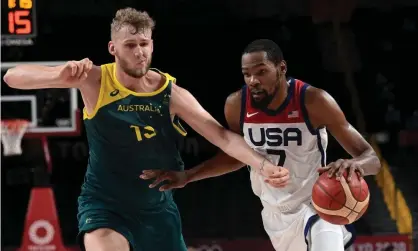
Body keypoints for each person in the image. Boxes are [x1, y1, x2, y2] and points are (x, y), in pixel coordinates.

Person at [3, 10, 288, 251]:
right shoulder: (95, 80)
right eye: (130, 45)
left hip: (158, 210)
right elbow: (12, 77)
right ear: (112, 49)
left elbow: (222, 136)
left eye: (144, 43)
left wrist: (262, 164)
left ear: (152, 45)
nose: (139, 52)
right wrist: (57, 75)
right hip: (105, 205)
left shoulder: (172, 93)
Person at [140, 39, 382, 251]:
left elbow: (371, 158)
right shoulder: (237, 105)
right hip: (275, 213)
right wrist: (188, 176)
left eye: (261, 72)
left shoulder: (314, 101)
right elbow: (236, 156)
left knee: (326, 233)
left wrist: (353, 163)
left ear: (282, 68)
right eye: (247, 74)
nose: (253, 80)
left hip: (317, 202)